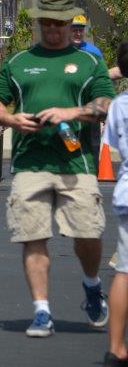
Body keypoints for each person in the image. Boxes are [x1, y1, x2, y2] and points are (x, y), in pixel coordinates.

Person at [0, 0, 115, 337]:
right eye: (47, 22)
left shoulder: (89, 62)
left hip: (76, 164)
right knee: (33, 235)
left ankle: (91, 284)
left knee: (88, 232)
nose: (53, 29)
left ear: (70, 23)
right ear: (39, 22)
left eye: (59, 23)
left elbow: (106, 103)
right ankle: (41, 311)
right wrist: (10, 119)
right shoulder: (19, 62)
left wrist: (71, 112)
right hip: (30, 163)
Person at [105, 41, 128, 367]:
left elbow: (112, 149)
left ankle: (116, 347)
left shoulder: (119, 106)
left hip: (126, 191)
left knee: (124, 272)